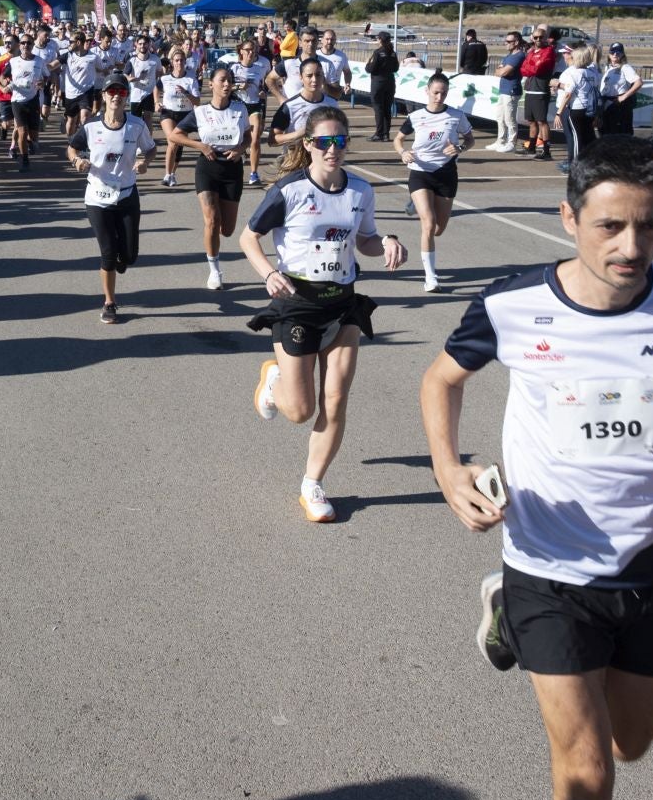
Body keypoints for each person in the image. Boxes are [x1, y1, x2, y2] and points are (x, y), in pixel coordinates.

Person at [419, 135, 653, 800]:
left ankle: (501, 609)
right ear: (569, 218)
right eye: (610, 225)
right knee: (587, 770)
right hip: (548, 566)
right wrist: (449, 469)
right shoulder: (512, 303)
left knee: (630, 742)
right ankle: (518, 605)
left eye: (651, 224)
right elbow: (441, 380)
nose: (632, 246)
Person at [243, 106, 407, 523]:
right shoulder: (290, 191)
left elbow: (365, 240)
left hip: (343, 303)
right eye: (324, 142)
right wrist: (268, 275)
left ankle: (312, 484)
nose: (333, 149)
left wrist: (387, 241)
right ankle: (274, 376)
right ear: (308, 145)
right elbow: (249, 237)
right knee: (299, 411)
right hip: (298, 302)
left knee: (335, 401)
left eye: (340, 141)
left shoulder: (360, 191)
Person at [68, 72, 156, 324]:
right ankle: (109, 302)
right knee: (108, 252)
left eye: (122, 92)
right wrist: (77, 160)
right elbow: (72, 147)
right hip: (97, 197)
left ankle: (122, 257)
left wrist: (145, 162)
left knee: (128, 256)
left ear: (127, 96)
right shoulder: (91, 126)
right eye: (112, 92)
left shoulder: (136, 125)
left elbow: (151, 148)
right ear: (104, 96)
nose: (116, 96)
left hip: (127, 194)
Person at [167, 64, 255, 290]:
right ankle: (215, 271)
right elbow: (175, 135)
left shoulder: (239, 109)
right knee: (212, 221)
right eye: (222, 80)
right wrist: (200, 146)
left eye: (230, 80)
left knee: (227, 229)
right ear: (211, 84)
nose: (227, 84)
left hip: (232, 170)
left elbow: (248, 136)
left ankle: (216, 249)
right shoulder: (200, 112)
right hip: (207, 167)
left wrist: (241, 149)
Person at [398, 72, 473, 293]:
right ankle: (431, 278)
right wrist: (403, 152)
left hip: (446, 174)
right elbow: (398, 139)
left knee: (439, 229)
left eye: (443, 93)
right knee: (428, 225)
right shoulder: (415, 116)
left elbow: (470, 139)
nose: (439, 97)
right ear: (427, 92)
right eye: (435, 92)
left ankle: (415, 204)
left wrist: (460, 148)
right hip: (420, 172)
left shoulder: (456, 116)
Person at [0, 35, 45, 171]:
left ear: (33, 45)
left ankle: (31, 142)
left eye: (28, 43)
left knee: (33, 135)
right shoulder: (13, 61)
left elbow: (46, 76)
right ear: (20, 45)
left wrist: (43, 82)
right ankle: (24, 159)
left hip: (33, 100)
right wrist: (5, 83)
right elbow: (2, 76)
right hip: (17, 101)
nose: (25, 45)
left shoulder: (39, 61)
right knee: (21, 131)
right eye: (23, 43)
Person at [157, 46, 200, 188]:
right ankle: (167, 174)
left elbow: (197, 101)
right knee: (173, 141)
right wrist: (157, 102)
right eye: (176, 60)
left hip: (185, 114)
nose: (179, 63)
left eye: (181, 60)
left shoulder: (191, 79)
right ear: (172, 62)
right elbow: (156, 88)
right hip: (168, 112)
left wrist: (186, 93)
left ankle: (172, 174)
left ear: (185, 62)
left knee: (179, 145)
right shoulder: (165, 79)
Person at [552, 44, 601, 171]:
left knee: (576, 137)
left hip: (576, 109)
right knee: (588, 135)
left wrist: (559, 112)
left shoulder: (573, 73)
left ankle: (575, 164)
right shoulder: (592, 73)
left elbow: (568, 93)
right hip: (589, 108)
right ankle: (591, 161)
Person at [269, 58, 333, 152]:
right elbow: (272, 140)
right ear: (301, 77)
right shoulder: (290, 106)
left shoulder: (332, 104)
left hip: (323, 162)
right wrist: (299, 134)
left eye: (318, 75)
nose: (314, 80)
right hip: (296, 163)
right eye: (309, 76)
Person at [231, 40, 271, 186]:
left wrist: (263, 92)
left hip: (254, 105)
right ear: (241, 51)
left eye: (253, 51)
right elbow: (224, 87)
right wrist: (238, 87)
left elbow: (266, 85)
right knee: (238, 139)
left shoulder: (260, 68)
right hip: (238, 105)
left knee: (255, 140)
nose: (251, 53)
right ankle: (241, 154)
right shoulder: (233, 68)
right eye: (248, 50)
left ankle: (254, 173)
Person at [519, 24, 558, 160]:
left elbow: (537, 69)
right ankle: (531, 148)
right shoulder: (531, 52)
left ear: (546, 38)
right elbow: (523, 69)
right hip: (530, 89)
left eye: (541, 37)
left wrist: (532, 66)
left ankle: (546, 151)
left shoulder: (548, 51)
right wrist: (532, 65)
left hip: (540, 90)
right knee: (531, 121)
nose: (538, 40)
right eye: (535, 37)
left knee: (542, 121)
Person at [60, 30, 104, 137]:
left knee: (85, 117)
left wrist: (107, 71)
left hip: (86, 91)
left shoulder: (93, 57)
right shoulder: (67, 56)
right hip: (71, 94)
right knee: (71, 120)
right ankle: (71, 141)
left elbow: (100, 68)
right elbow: (53, 65)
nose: (69, 44)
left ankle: (83, 143)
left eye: (71, 42)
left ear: (78, 42)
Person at [488, 30, 526, 152]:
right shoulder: (508, 56)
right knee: (500, 117)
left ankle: (512, 142)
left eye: (509, 41)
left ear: (516, 42)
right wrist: (501, 71)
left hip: (511, 90)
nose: (506, 43)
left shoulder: (519, 56)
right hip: (503, 90)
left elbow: (503, 72)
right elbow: (497, 71)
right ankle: (501, 140)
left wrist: (502, 71)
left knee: (510, 119)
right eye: (506, 41)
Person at [597, 43, 642, 137]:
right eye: (612, 52)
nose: (615, 54)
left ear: (622, 54)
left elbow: (638, 82)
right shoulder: (607, 68)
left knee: (620, 135)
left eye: (618, 52)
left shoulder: (625, 68)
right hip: (606, 105)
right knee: (605, 133)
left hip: (619, 106)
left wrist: (623, 97)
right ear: (609, 54)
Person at [364, 32, 399, 143]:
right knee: (387, 109)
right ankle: (386, 134)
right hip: (390, 82)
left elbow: (371, 69)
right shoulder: (392, 52)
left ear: (380, 40)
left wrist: (367, 63)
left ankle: (379, 133)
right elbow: (396, 68)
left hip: (378, 82)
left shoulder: (378, 52)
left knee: (378, 108)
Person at [314, 28, 352, 102]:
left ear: (335, 41)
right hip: (317, 94)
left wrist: (347, 84)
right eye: (327, 39)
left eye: (332, 39)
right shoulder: (315, 55)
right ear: (322, 40)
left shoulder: (341, 56)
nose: (329, 42)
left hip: (333, 94)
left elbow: (347, 72)